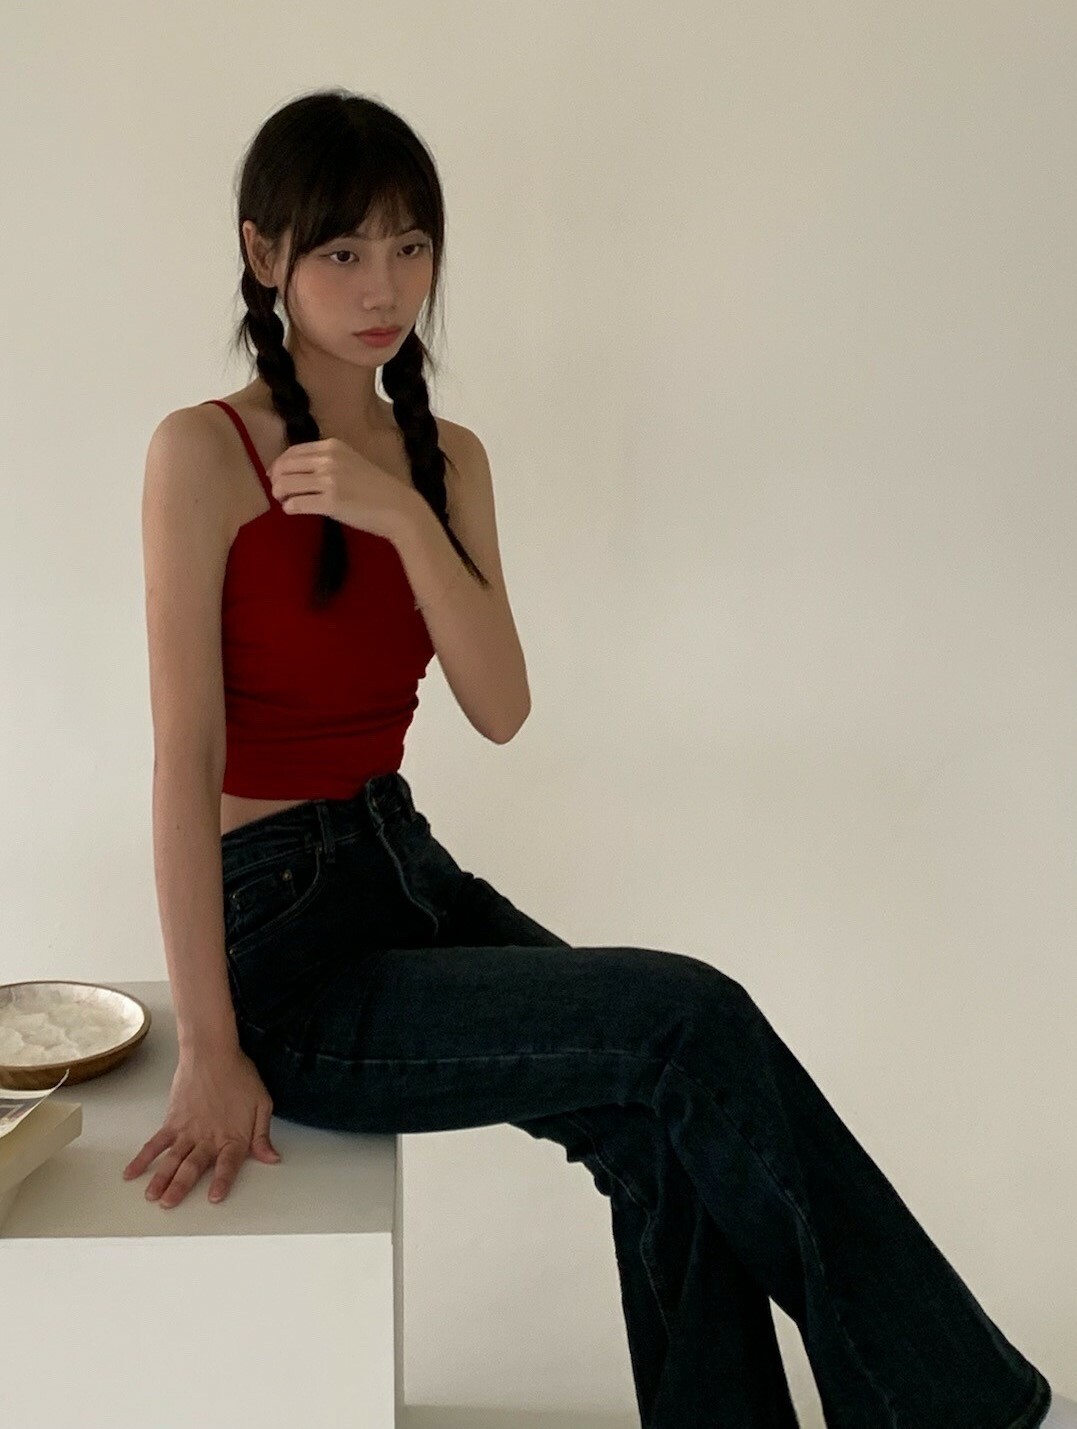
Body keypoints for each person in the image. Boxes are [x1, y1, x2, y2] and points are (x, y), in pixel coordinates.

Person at [127, 87, 1067, 1428]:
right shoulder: (202, 454)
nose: (384, 285)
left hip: (404, 869)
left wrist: (400, 511)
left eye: (411, 246)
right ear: (263, 252)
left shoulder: (447, 461)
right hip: (280, 945)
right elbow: (183, 758)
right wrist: (211, 1046)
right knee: (687, 1018)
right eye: (342, 250)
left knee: (658, 1122)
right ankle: (948, 1406)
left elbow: (500, 705)